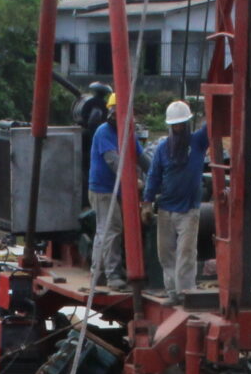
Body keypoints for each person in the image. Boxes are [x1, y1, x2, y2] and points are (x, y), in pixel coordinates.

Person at [144, 99, 208, 296]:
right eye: (174, 125)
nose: (178, 128)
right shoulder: (163, 149)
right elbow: (154, 176)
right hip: (166, 209)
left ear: (187, 123)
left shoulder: (198, 142)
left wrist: (213, 103)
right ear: (170, 126)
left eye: (181, 124)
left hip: (189, 210)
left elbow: (213, 124)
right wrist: (146, 203)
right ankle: (172, 292)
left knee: (186, 254)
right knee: (166, 254)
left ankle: (186, 293)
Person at [86, 103, 144, 290]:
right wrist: (133, 179)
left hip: (118, 189)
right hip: (102, 189)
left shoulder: (128, 132)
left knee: (107, 229)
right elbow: (113, 161)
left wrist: (158, 177)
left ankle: (99, 273)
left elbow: (142, 158)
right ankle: (111, 275)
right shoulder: (104, 132)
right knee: (110, 228)